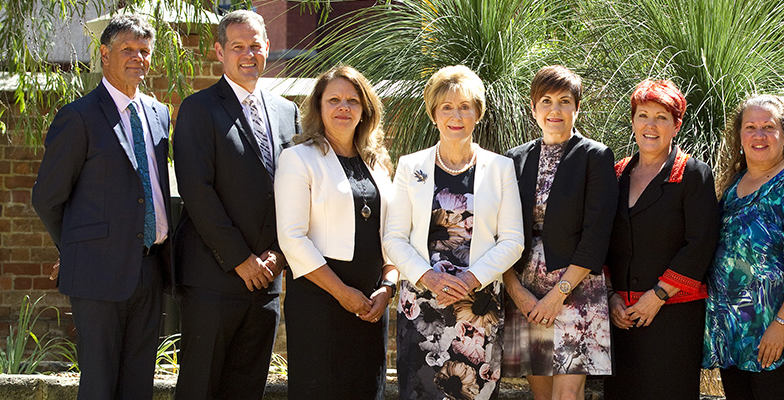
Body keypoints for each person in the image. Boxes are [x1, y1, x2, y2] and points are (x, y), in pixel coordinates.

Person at [31, 14, 169, 400]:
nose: (137, 58)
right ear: (105, 54)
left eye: (144, 51)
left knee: (138, 383)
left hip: (150, 266)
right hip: (97, 272)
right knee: (100, 385)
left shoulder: (159, 115)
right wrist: (75, 250)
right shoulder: (78, 117)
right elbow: (47, 198)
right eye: (127, 49)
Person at [172, 10, 301, 400]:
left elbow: (295, 192)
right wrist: (240, 259)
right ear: (219, 51)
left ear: (267, 49)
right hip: (213, 279)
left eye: (256, 46)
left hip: (265, 283)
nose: (248, 55)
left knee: (247, 389)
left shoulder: (287, 113)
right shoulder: (199, 109)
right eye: (238, 46)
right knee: (201, 388)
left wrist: (278, 256)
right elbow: (198, 192)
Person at [383, 65, 525, 400]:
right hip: (422, 306)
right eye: (446, 107)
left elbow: (513, 241)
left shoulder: (501, 169)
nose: (456, 115)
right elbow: (393, 238)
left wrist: (470, 279)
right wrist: (429, 278)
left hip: (478, 306)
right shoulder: (410, 166)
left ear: (478, 112)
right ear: (434, 114)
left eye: (465, 106)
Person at [273, 65, 398, 399]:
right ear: (319, 108)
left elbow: (394, 236)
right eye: (334, 100)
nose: (344, 107)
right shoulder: (298, 158)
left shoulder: (378, 163)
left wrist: (388, 287)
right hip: (320, 303)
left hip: (372, 305)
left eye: (353, 100)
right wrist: (343, 293)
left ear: (365, 110)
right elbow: (292, 238)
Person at [703, 95, 784, 399]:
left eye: (768, 127)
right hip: (737, 340)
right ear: (739, 135)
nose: (758, 135)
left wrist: (782, 323)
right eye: (750, 127)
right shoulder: (735, 185)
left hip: (782, 342)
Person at [500, 65, 617, 400]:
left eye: (564, 101)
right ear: (534, 108)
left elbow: (597, 234)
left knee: (566, 396)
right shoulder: (514, 159)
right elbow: (499, 232)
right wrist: (518, 294)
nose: (555, 110)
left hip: (576, 289)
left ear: (576, 107)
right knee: (542, 396)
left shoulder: (595, 156)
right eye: (546, 101)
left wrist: (557, 295)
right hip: (525, 292)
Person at [603, 79, 719, 399]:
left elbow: (701, 242)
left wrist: (657, 295)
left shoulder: (694, 174)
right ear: (633, 121)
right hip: (622, 317)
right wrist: (611, 296)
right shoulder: (615, 174)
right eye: (643, 115)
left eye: (661, 117)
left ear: (676, 126)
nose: (650, 125)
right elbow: (603, 241)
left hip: (672, 316)